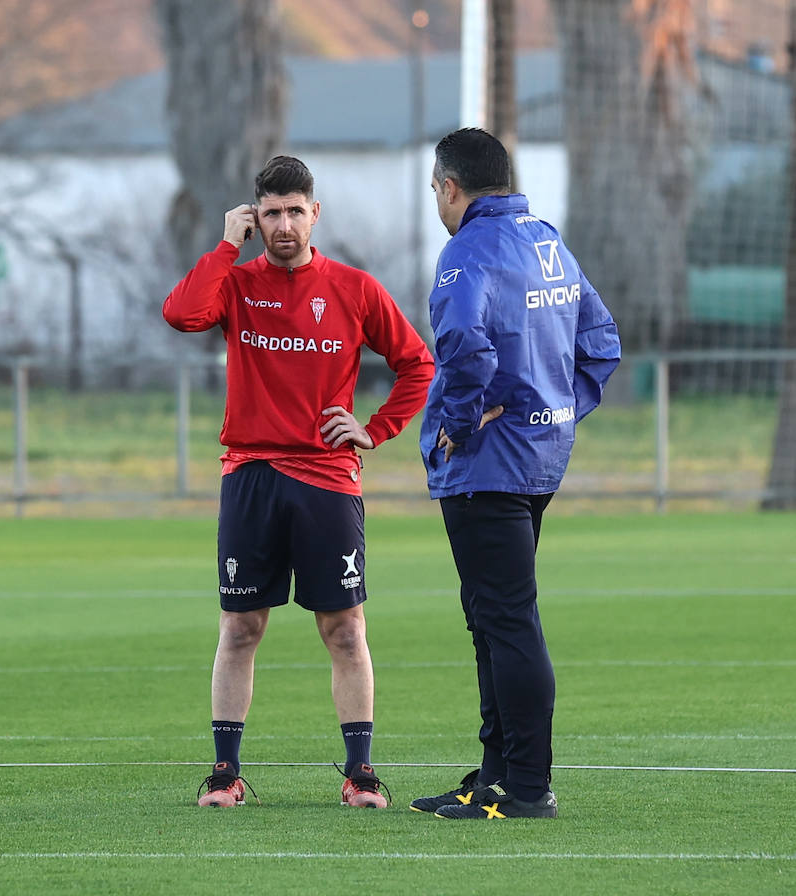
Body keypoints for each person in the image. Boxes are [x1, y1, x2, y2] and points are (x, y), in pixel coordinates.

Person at [164, 155, 434, 809]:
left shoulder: (353, 288)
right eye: (272, 212)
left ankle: (360, 775)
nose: (284, 224)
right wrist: (227, 246)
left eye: (295, 210)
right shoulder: (235, 282)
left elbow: (417, 365)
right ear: (257, 216)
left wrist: (375, 428)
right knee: (240, 628)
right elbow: (181, 314)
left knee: (344, 629)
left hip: (327, 483)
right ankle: (226, 776)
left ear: (315, 213)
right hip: (251, 477)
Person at [411, 128, 620, 820]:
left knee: (506, 620)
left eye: (436, 190)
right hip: (538, 458)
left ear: (449, 186)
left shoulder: (466, 252)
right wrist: (556, 413)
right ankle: (497, 773)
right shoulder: (548, 242)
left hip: (487, 466)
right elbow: (601, 343)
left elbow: (466, 347)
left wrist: (461, 423)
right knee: (492, 618)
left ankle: (529, 787)